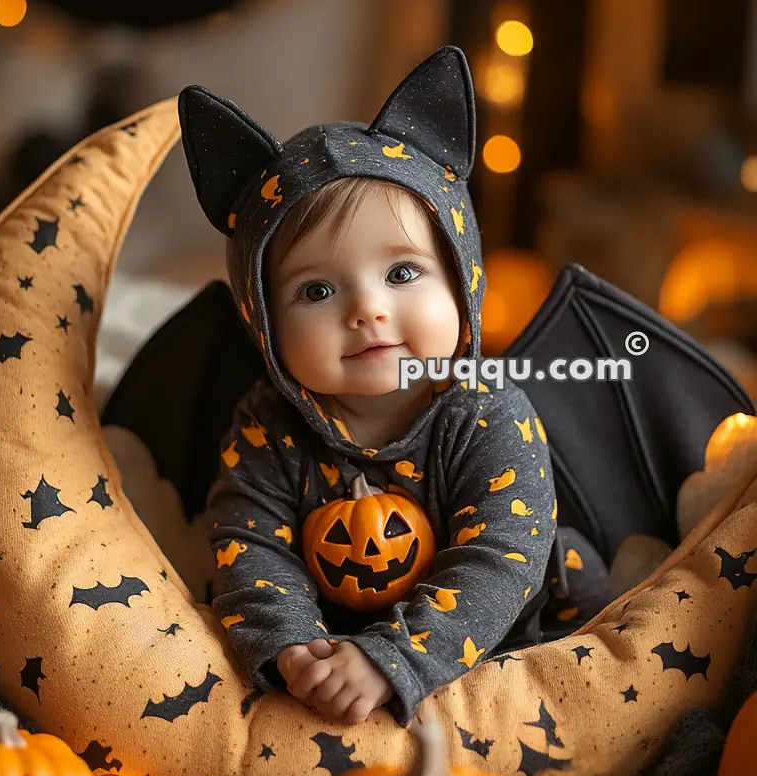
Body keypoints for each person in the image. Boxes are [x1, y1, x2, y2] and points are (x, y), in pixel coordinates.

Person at [178, 46, 612, 727]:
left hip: (512, 628)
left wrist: (395, 656)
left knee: (574, 571)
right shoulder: (266, 423)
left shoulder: (486, 411)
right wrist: (292, 649)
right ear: (262, 319)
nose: (366, 310)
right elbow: (247, 547)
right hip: (334, 633)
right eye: (316, 290)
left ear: (461, 282)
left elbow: (499, 560)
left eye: (402, 273)